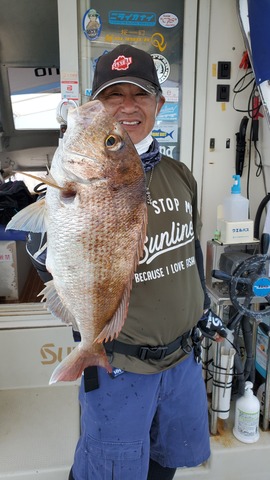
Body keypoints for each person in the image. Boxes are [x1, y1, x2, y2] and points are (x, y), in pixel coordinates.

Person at [27, 44, 227, 480]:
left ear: (159, 102)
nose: (127, 107)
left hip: (182, 360)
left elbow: (189, 253)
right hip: (119, 364)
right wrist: (47, 252)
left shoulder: (180, 174)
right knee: (109, 470)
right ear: (97, 104)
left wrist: (205, 308)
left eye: (139, 94)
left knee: (164, 463)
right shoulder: (75, 177)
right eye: (113, 95)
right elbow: (62, 252)